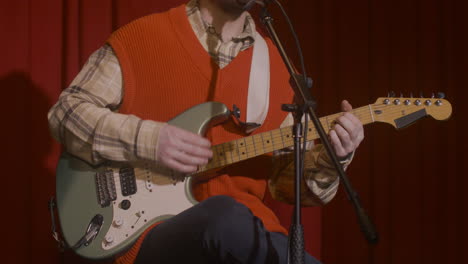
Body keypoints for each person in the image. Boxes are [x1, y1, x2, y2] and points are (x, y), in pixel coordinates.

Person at [48, 0, 364, 263]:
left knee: (235, 223)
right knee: (224, 216)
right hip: (145, 232)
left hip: (242, 241)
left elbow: (289, 189)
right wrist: (151, 140)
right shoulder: (141, 37)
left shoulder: (281, 71)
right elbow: (67, 113)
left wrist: (333, 157)